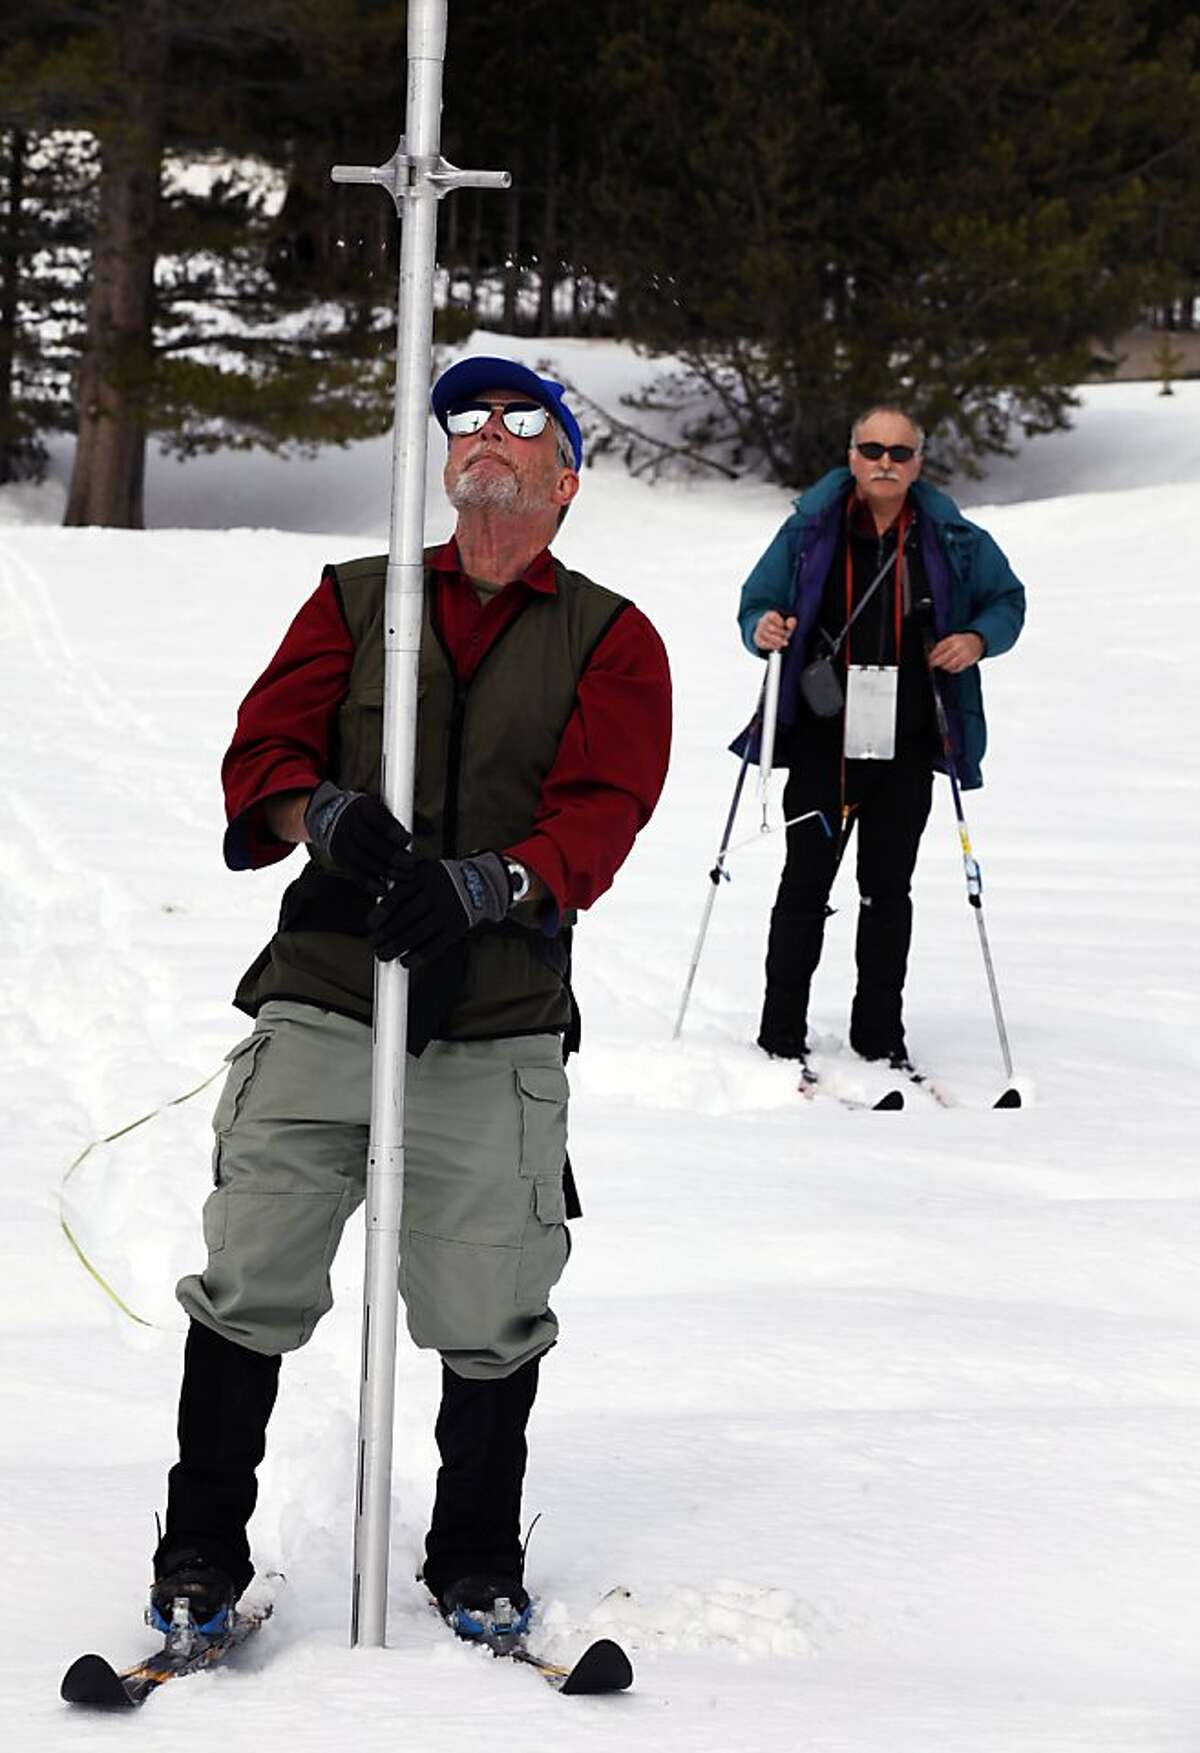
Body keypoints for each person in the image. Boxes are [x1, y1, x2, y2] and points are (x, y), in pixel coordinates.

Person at [148, 356, 672, 1642]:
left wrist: (493, 884)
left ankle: (477, 1556)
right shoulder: (355, 597)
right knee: (251, 1269)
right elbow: (262, 749)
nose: (487, 439)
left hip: (492, 1022)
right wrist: (310, 807)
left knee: (491, 1298)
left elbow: (602, 815)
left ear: (565, 476)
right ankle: (202, 1551)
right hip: (326, 996)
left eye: (521, 422)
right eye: (467, 420)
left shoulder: (611, 637)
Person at [736, 405, 1024, 1067]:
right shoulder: (810, 531)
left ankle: (879, 1034)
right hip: (821, 739)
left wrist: (976, 640)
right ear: (851, 455)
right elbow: (757, 599)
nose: (885, 462)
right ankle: (781, 1034)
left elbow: (1008, 601)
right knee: (805, 883)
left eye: (899, 451)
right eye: (872, 449)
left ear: (919, 461)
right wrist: (763, 627)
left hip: (910, 737)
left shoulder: (953, 537)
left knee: (888, 889)